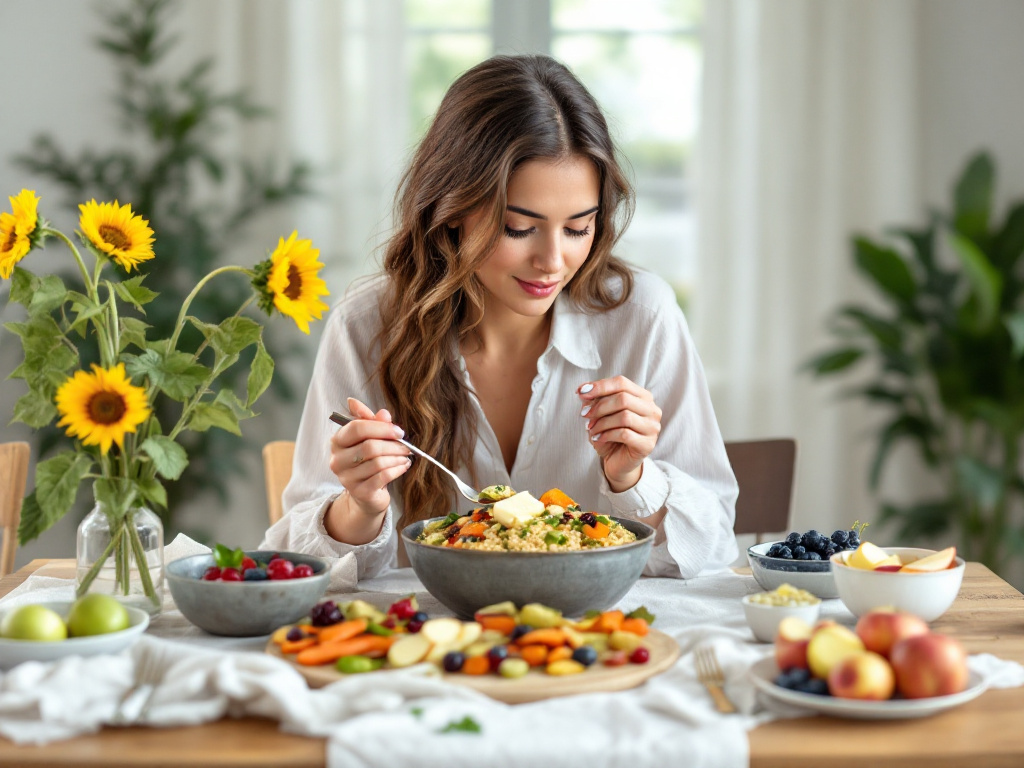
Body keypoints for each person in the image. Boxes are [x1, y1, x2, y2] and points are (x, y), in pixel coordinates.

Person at [261, 54, 738, 579]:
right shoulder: (368, 325)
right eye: (518, 228)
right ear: (451, 210)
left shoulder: (642, 317)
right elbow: (296, 560)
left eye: (578, 228)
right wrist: (362, 505)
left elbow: (713, 547)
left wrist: (632, 477)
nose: (553, 261)